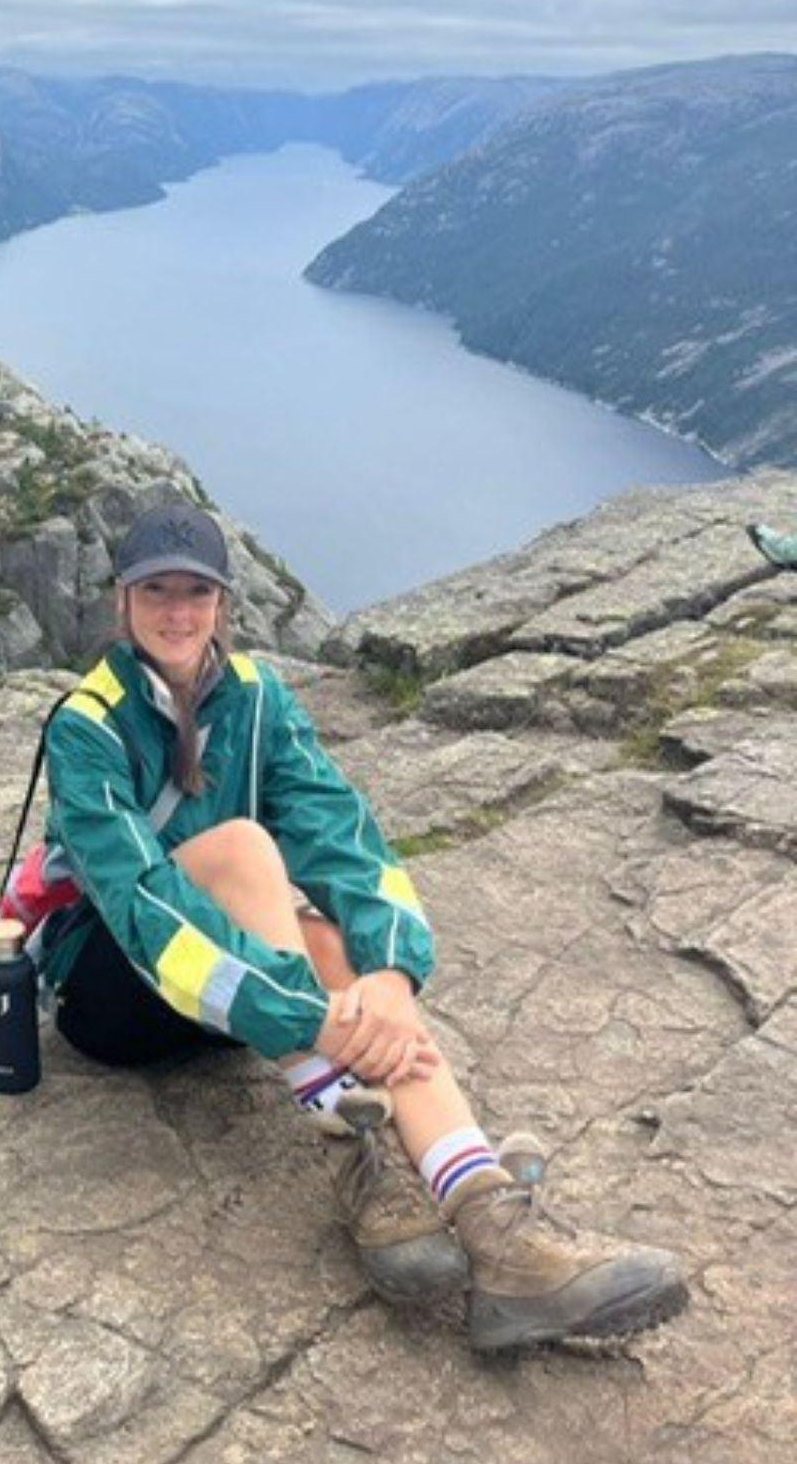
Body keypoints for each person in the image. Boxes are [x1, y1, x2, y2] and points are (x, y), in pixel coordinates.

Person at [35, 499, 688, 1355]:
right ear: (122, 603)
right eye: (156, 589)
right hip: (117, 993)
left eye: (197, 591)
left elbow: (339, 831)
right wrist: (311, 1015)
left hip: (236, 998)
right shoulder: (86, 726)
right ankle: (355, 1145)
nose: (177, 610)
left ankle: (495, 1230)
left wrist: (388, 975)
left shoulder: (259, 699)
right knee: (241, 850)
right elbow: (142, 905)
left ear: (224, 603)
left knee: (347, 951)